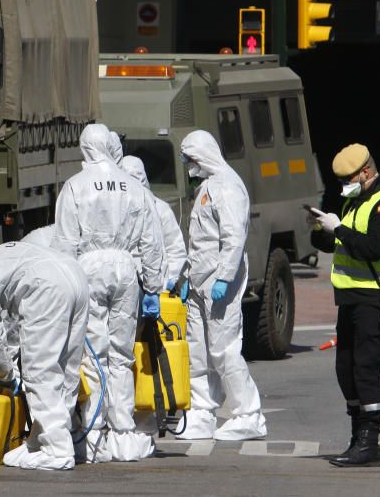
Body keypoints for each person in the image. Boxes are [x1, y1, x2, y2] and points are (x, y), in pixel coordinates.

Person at [52, 125, 164, 462]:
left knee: (93, 354)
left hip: (89, 269)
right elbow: (152, 240)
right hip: (126, 270)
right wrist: (154, 286)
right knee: (122, 355)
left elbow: (65, 243)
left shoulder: (75, 186)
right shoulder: (133, 186)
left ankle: (94, 430)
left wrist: (64, 288)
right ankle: (123, 430)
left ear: (86, 148)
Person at [309, 144, 380, 468]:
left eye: (347, 178)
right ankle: (357, 435)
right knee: (346, 369)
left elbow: (373, 247)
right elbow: (338, 243)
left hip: (376, 298)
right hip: (351, 298)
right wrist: (321, 229)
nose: (343, 185)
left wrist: (339, 228)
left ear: (366, 171)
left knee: (367, 367)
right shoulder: (355, 202)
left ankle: (369, 441)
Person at [175, 130, 267, 441]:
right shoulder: (207, 187)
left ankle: (248, 414)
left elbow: (233, 238)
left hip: (219, 283)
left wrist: (225, 277)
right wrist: (189, 278)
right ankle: (202, 412)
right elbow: (200, 242)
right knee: (198, 350)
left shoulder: (227, 186)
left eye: (189, 159)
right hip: (201, 282)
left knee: (224, 350)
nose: (188, 165)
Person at [0, 241, 88, 470]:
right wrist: (10, 360)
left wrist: (5, 372)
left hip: (45, 284)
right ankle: (47, 439)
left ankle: (57, 450)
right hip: (75, 275)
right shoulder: (2, 258)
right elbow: (13, 327)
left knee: (40, 371)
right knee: (67, 368)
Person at [122, 155, 188, 289]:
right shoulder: (117, 210)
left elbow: (175, 247)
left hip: (158, 282)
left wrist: (171, 278)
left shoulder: (161, 208)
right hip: (126, 283)